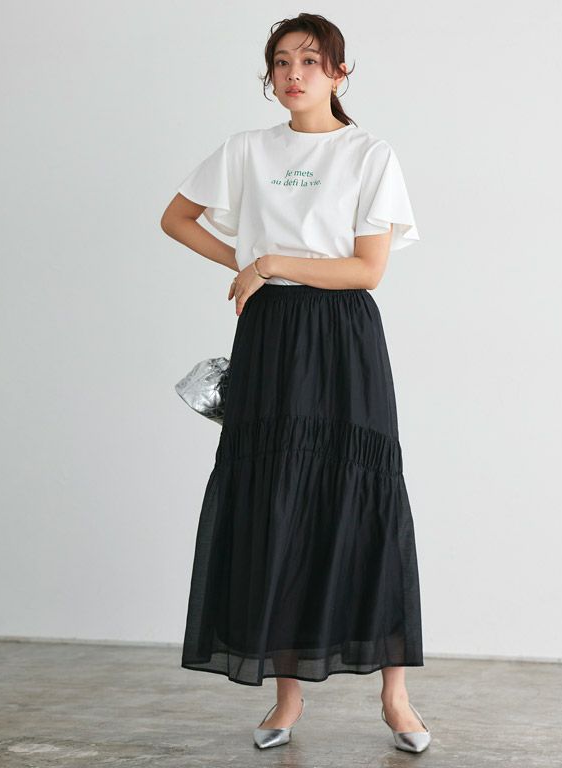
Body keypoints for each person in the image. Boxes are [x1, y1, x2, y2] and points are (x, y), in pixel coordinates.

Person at [160, 12, 431, 755]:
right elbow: (176, 218)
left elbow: (366, 270)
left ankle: (396, 697)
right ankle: (286, 698)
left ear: (341, 73)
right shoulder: (247, 150)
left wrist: (269, 261)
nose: (293, 74)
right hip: (270, 333)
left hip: (344, 335)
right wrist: (249, 263)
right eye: (281, 61)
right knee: (275, 499)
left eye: (311, 61)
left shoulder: (369, 154)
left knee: (364, 494)